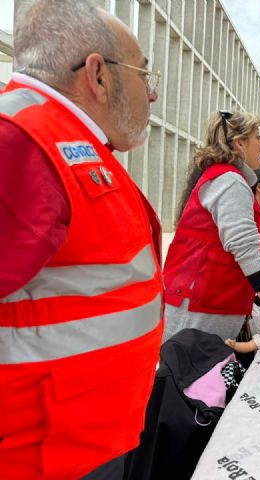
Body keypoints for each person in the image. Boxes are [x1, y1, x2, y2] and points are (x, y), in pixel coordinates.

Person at [0, 1, 164, 478]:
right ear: (98, 75)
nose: (150, 94)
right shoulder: (21, 142)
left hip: (83, 437)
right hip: (42, 452)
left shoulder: (65, 140)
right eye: (142, 73)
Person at [162, 111, 260, 344]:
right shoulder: (230, 181)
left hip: (206, 302)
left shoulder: (227, 178)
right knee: (193, 377)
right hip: (202, 305)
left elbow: (239, 249)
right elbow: (246, 251)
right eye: (257, 137)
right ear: (240, 144)